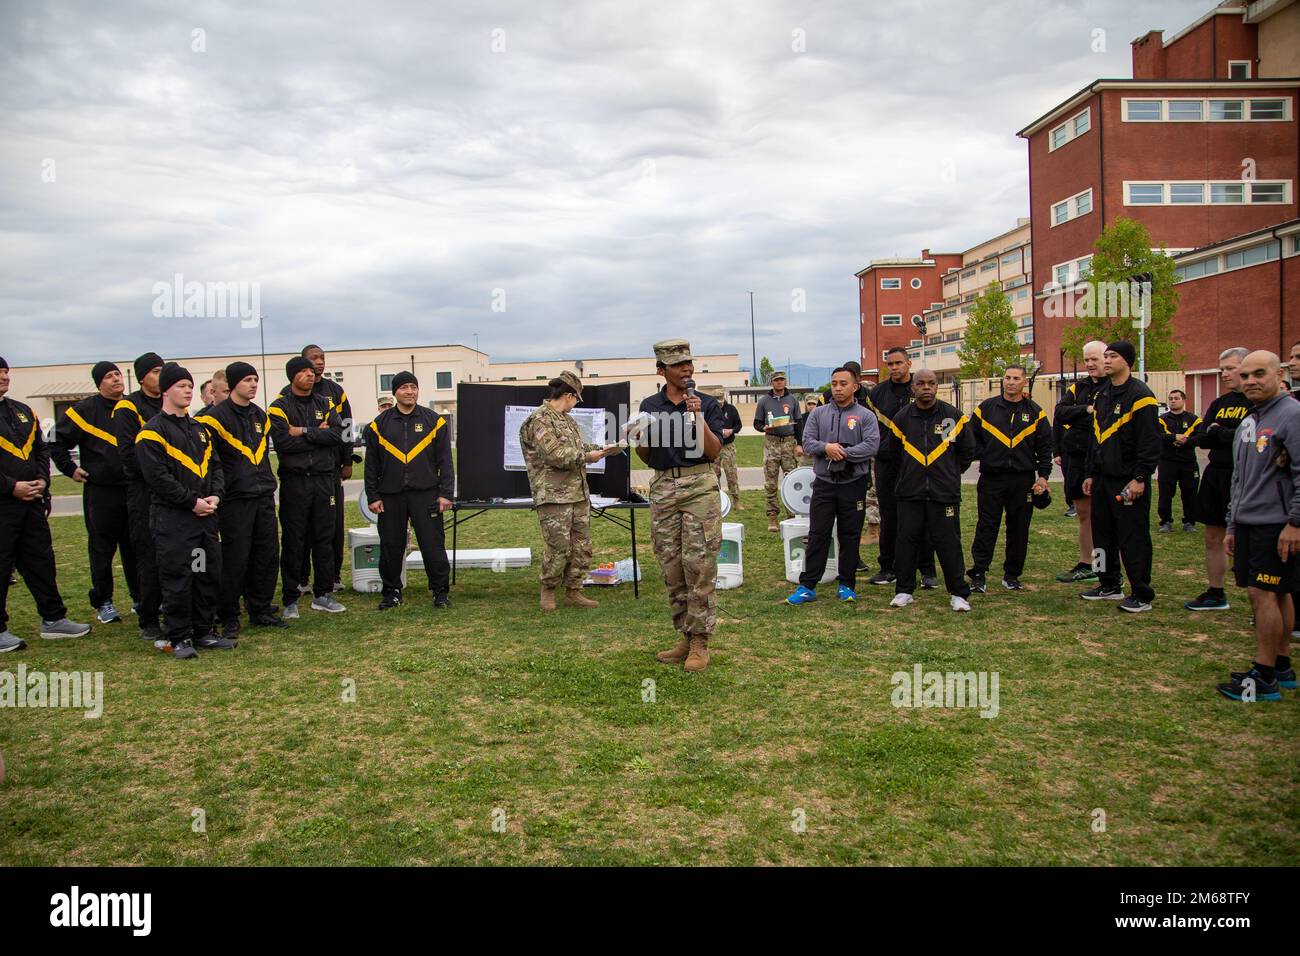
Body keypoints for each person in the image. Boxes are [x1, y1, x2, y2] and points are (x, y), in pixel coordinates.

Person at [636, 339, 724, 673]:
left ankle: (701, 641)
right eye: (678, 365)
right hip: (663, 487)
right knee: (672, 567)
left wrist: (697, 415)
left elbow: (714, 451)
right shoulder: (649, 405)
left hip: (699, 484)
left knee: (698, 565)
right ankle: (684, 637)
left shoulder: (707, 404)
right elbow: (646, 456)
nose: (687, 369)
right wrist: (639, 438)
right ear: (662, 370)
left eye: (689, 363)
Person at [1218, 351, 1300, 701]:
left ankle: (1263, 674)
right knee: (1277, 592)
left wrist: (1295, 523)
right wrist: (1232, 524)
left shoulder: (1292, 415)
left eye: (1259, 374)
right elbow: (1241, 478)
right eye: (1246, 375)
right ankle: (1282, 666)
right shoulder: (1253, 418)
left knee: (1262, 593)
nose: (1251, 380)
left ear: (1278, 374)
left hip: (1276, 524)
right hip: (1249, 522)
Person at [135, 364, 231, 660]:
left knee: (204, 573)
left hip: (204, 521)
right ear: (165, 390)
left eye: (190, 386)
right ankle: (179, 636)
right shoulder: (151, 433)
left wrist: (215, 495)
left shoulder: (199, 429)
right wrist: (192, 502)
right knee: (178, 578)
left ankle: (203, 631)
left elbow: (215, 467)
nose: (188, 391)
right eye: (180, 386)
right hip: (175, 521)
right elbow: (158, 479)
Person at [0, 356, 91, 652]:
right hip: (4, 503)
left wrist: (42, 479)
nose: (4, 377)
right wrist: (11, 486)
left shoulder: (21, 411)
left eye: (6, 372)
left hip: (32, 502)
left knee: (41, 560)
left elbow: (40, 449)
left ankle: (53, 619)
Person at [195, 362, 286, 640]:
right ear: (233, 384)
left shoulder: (260, 415)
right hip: (235, 498)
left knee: (267, 553)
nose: (253, 385)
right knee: (236, 557)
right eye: (247, 380)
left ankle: (260, 608)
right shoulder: (213, 419)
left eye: (256, 379)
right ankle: (229, 614)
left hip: (263, 495)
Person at [519, 371, 618, 611]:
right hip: (553, 495)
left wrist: (602, 449)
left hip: (577, 494)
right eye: (576, 399)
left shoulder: (567, 420)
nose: (576, 404)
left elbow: (577, 447)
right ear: (569, 395)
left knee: (581, 545)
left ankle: (574, 590)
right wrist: (588, 457)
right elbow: (554, 456)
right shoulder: (539, 420)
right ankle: (549, 590)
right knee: (558, 546)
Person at [50, 361, 139, 624]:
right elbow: (55, 440)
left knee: (136, 547)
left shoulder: (132, 407)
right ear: (99, 383)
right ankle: (104, 601)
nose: (115, 379)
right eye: (109, 376)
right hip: (102, 493)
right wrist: (70, 469)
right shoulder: (84, 410)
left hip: (132, 490)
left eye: (117, 375)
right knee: (102, 550)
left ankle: (140, 597)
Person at [785, 367, 879, 605]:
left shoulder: (865, 415)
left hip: (853, 483)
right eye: (834, 383)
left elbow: (871, 445)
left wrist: (844, 453)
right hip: (824, 484)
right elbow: (807, 441)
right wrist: (827, 448)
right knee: (818, 534)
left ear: (854, 386)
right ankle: (808, 586)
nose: (837, 388)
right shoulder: (819, 414)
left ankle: (846, 584)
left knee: (849, 534)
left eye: (843, 383)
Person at [885, 368, 976, 611]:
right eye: (921, 383)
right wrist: (910, 475)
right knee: (906, 542)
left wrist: (948, 474)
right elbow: (893, 457)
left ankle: (958, 593)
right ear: (913, 388)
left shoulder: (952, 417)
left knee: (949, 543)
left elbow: (967, 453)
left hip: (943, 494)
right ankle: (904, 590)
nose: (926, 387)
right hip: (910, 493)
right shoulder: (902, 419)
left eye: (931, 383)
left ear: (937, 387)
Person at [364, 371, 456, 610]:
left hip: (426, 494)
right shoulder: (378, 425)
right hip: (390, 495)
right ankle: (392, 591)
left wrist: (446, 493)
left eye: (413, 387)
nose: (410, 391)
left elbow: (446, 461)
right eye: (404, 387)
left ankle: (440, 591)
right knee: (391, 546)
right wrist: (373, 496)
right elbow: (371, 464)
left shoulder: (434, 421)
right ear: (395, 392)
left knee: (432, 544)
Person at [1080, 341, 1160, 612]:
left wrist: (1140, 477)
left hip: (1128, 479)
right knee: (1101, 535)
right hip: (1102, 478)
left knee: (1133, 536)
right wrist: (1091, 473)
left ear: (1127, 361)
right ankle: (1108, 582)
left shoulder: (1141, 396)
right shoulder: (1101, 395)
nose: (1106, 361)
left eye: (1112, 356)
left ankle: (1141, 591)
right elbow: (1095, 439)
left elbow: (1150, 443)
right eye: (1105, 356)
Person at [270, 355, 346, 618]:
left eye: (312, 371)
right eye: (303, 371)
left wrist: (301, 431)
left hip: (324, 480)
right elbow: (282, 443)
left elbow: (336, 435)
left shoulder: (325, 403)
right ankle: (291, 596)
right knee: (294, 539)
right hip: (295, 481)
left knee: (324, 538)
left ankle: (323, 594)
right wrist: (317, 433)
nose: (310, 375)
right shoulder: (279, 406)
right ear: (292, 376)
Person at [966, 364, 1052, 592]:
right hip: (992, 479)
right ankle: (979, 574)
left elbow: (1045, 447)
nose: (1010, 382)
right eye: (1007, 377)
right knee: (987, 525)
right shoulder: (986, 408)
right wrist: (986, 455)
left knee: (1019, 528)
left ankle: (1012, 575)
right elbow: (971, 438)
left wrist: (1043, 476)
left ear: (1024, 382)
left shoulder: (1035, 412)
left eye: (1016, 378)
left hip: (1023, 480)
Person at [1184, 347, 1251, 612]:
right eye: (1222, 369)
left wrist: (1221, 433)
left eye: (1230, 368)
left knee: (1249, 538)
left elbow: (1249, 440)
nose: (1225, 374)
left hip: (1245, 475)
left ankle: (1263, 598)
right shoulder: (1220, 404)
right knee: (1213, 535)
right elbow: (1202, 437)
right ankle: (1216, 591)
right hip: (1216, 474)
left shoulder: (1256, 402)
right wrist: (1224, 434)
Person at [282, 345, 353, 593]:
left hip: (328, 471)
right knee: (299, 531)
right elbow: (284, 439)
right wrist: (317, 432)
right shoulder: (284, 398)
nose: (319, 364)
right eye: (313, 360)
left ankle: (332, 576)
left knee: (331, 528)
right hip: (299, 474)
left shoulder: (335, 393)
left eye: (321, 359)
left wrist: (346, 460)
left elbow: (342, 429)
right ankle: (301, 579)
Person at [867, 347, 937, 588]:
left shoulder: (920, 386)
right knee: (890, 516)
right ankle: (888, 567)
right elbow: (870, 427)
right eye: (890, 363)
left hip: (917, 462)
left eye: (899, 363)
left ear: (908, 363)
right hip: (887, 463)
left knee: (922, 516)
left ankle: (927, 570)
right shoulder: (877, 393)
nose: (894, 367)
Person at [113, 352, 166, 642]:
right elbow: (129, 456)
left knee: (173, 554)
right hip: (145, 492)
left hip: (172, 492)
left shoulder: (170, 402)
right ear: (143, 376)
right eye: (156, 370)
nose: (161, 375)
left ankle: (173, 608)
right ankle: (148, 617)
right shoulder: (128, 407)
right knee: (148, 554)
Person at [1053, 340, 1108, 583]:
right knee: (1084, 514)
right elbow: (1060, 411)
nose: (1090, 364)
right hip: (1076, 458)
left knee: (1101, 517)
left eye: (1095, 359)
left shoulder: (1114, 387)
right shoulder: (1079, 388)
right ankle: (1086, 563)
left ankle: (1103, 567)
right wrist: (1086, 410)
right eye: (1087, 359)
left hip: (1101, 460)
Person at [755, 371, 803, 532]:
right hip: (772, 443)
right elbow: (756, 423)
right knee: (770, 482)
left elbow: (799, 424)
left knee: (791, 480)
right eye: (776, 380)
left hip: (789, 442)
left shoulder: (792, 400)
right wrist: (763, 427)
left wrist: (800, 444)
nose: (779, 382)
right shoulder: (764, 401)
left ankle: (792, 514)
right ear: (772, 383)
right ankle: (773, 516)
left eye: (782, 380)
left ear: (785, 381)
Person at [1156, 389, 1201, 534]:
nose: (1173, 401)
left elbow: (1201, 438)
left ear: (1183, 400)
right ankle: (1166, 521)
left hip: (1188, 463)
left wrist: (1187, 441)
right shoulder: (1162, 419)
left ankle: (1189, 522)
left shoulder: (1194, 420)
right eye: (1171, 398)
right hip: (1167, 462)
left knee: (1190, 493)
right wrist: (1174, 438)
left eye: (1176, 398)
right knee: (1165, 493)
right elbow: (1158, 436)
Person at [710, 386, 744, 506]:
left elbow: (739, 425)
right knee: (714, 475)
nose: (718, 402)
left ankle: (736, 501)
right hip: (714, 446)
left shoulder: (731, 409)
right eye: (716, 399)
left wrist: (731, 430)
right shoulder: (709, 410)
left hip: (728, 446)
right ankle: (717, 501)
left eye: (720, 399)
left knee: (731, 474)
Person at [800, 397, 819, 466]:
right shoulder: (801, 418)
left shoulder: (822, 416)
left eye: (814, 404)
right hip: (806, 453)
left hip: (818, 451)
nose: (811, 406)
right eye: (809, 404)